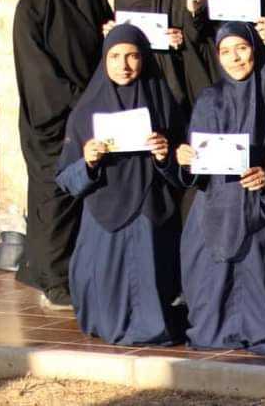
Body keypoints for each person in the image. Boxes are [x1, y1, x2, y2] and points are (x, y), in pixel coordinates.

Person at [56, 25, 184, 345]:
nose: (123, 65)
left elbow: (184, 171)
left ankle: (150, 325)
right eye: (114, 56)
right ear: (104, 60)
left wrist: (164, 156)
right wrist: (88, 162)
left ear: (145, 59)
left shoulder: (163, 104)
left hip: (149, 207)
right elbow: (66, 179)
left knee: (149, 271)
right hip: (103, 209)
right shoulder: (86, 111)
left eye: (132, 56)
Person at [176, 22, 265, 353]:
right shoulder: (209, 99)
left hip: (263, 209)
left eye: (241, 48)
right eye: (225, 51)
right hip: (215, 208)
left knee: (262, 281)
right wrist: (186, 159)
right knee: (212, 286)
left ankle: (261, 330)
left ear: (256, 50)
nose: (235, 58)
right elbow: (196, 169)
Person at [13, 0, 114, 308]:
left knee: (84, 191)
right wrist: (76, 100)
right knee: (53, 194)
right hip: (51, 117)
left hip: (89, 112)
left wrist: (111, 34)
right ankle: (53, 278)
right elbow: (35, 67)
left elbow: (108, 48)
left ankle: (75, 271)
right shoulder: (33, 4)